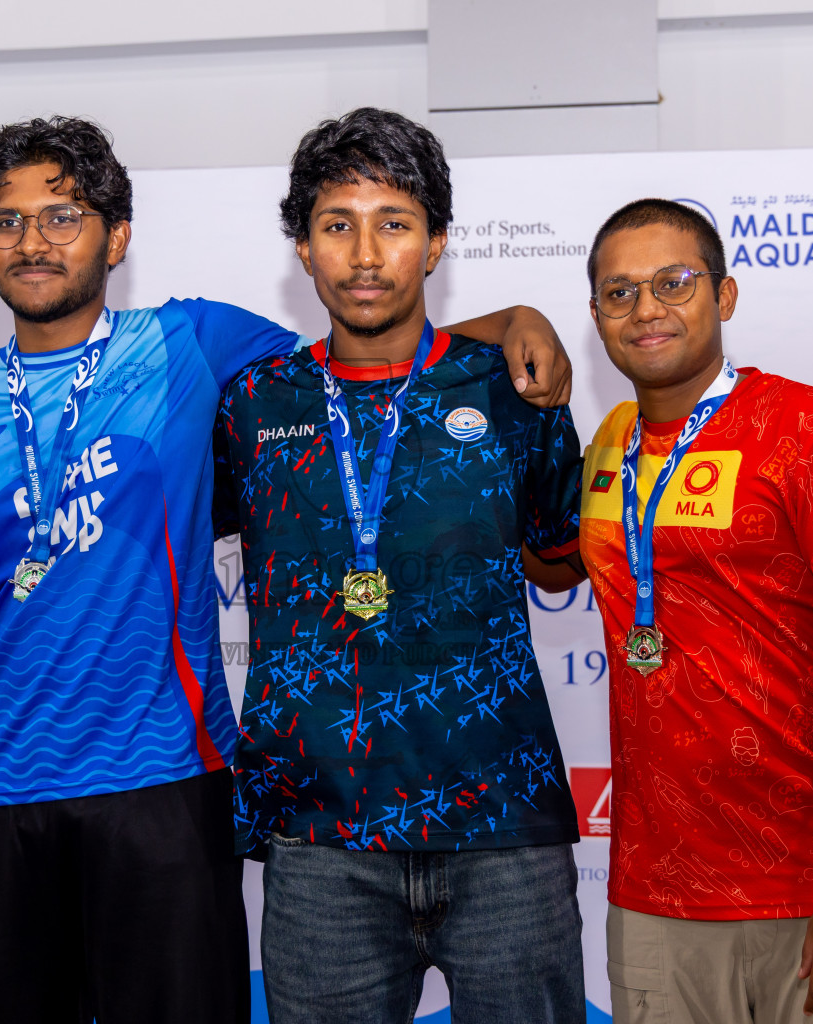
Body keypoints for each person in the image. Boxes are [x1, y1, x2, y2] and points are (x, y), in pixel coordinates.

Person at [0, 115, 573, 1024]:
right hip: (19, 799)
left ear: (115, 237)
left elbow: (365, 344)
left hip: (173, 784)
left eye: (62, 216)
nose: (34, 241)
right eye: (8, 222)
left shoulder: (192, 347)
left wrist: (519, 320)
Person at [215, 107, 588, 1024]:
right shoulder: (253, 405)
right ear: (303, 249)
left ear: (437, 244)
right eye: (337, 225)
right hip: (318, 838)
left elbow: (558, 566)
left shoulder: (509, 387)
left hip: (503, 823)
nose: (366, 253)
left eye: (395, 223)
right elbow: (146, 520)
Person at [568, 199, 813, 1023]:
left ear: (724, 296)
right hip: (658, 903)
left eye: (674, 283)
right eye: (619, 293)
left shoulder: (812, 427)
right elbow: (546, 560)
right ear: (595, 318)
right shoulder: (606, 447)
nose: (647, 309)